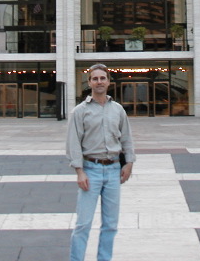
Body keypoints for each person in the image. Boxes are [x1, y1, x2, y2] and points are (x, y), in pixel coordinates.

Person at [66, 63, 136, 261]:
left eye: (102, 78)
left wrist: (129, 163)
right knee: (83, 224)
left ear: (108, 82)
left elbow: (127, 139)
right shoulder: (80, 111)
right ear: (89, 82)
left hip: (113, 170)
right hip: (91, 170)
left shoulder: (118, 110)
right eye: (95, 79)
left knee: (110, 224)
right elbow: (73, 143)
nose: (99, 82)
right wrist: (79, 171)